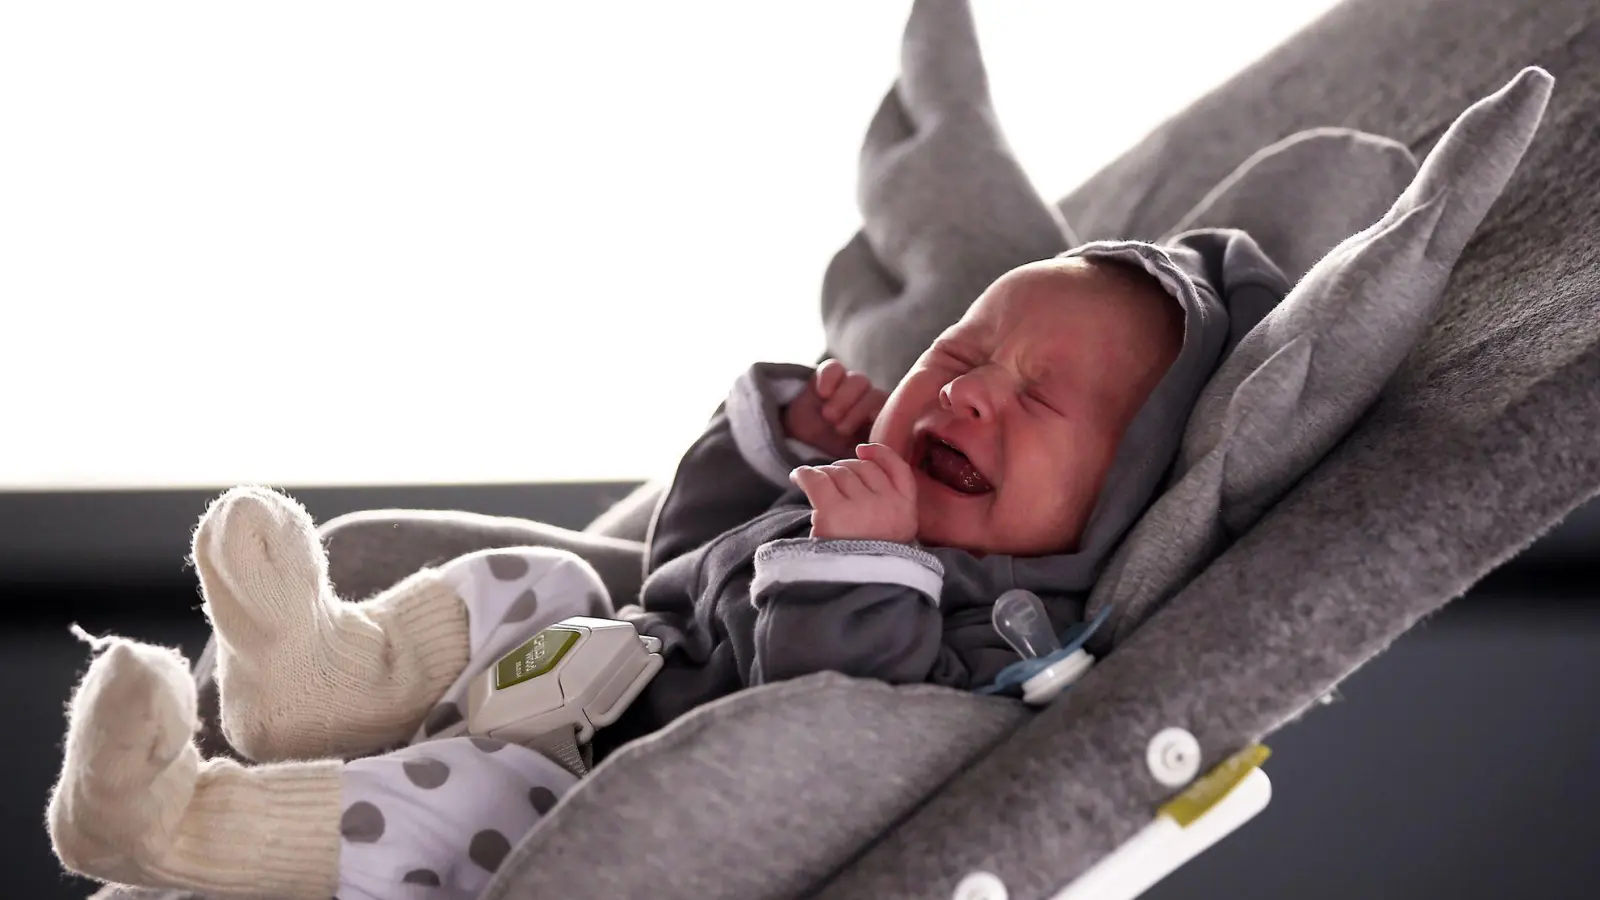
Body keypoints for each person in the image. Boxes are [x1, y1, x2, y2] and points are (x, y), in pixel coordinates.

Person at [48, 241, 1255, 900]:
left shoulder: (1001, 644)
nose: (971, 392)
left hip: (580, 813)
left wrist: (863, 563)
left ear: (1112, 497)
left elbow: (830, 734)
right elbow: (679, 558)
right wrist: (783, 445)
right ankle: (319, 681)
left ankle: (181, 830)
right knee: (546, 581)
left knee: (470, 802)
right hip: (580, 677)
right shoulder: (847, 502)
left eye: (1037, 398)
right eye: (959, 353)